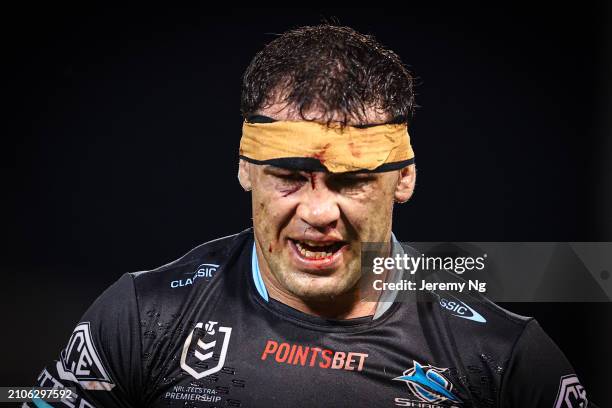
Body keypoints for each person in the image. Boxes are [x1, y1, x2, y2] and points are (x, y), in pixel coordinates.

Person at [26, 25, 593, 408]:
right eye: (290, 177)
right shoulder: (140, 317)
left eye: (350, 180)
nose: (319, 211)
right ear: (246, 168)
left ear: (405, 178)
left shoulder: (505, 357)